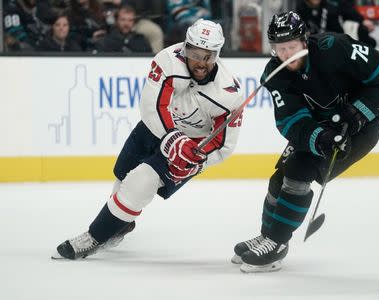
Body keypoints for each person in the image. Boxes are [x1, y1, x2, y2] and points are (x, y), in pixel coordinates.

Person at [52, 19, 244, 260]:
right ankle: (123, 223)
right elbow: (153, 106)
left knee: (139, 183)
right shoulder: (167, 59)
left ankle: (94, 236)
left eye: (208, 56)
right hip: (156, 128)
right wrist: (173, 139)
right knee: (123, 176)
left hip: (190, 147)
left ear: (217, 54)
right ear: (185, 46)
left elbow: (224, 145)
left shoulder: (229, 94)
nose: (200, 62)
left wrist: (198, 160)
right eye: (195, 53)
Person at [232, 11, 379, 273]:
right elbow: (291, 121)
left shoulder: (336, 48)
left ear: (305, 41)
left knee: (299, 171)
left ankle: (276, 243)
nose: (286, 54)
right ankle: (268, 237)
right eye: (279, 48)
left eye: (292, 47)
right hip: (322, 128)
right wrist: (320, 138)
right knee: (279, 179)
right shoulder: (274, 74)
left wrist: (357, 113)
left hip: (362, 129)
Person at [295, 0, 376, 47]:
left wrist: (362, 20)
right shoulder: (301, 7)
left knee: (365, 36)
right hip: (314, 41)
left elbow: (347, 10)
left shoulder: (330, 4)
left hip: (336, 37)